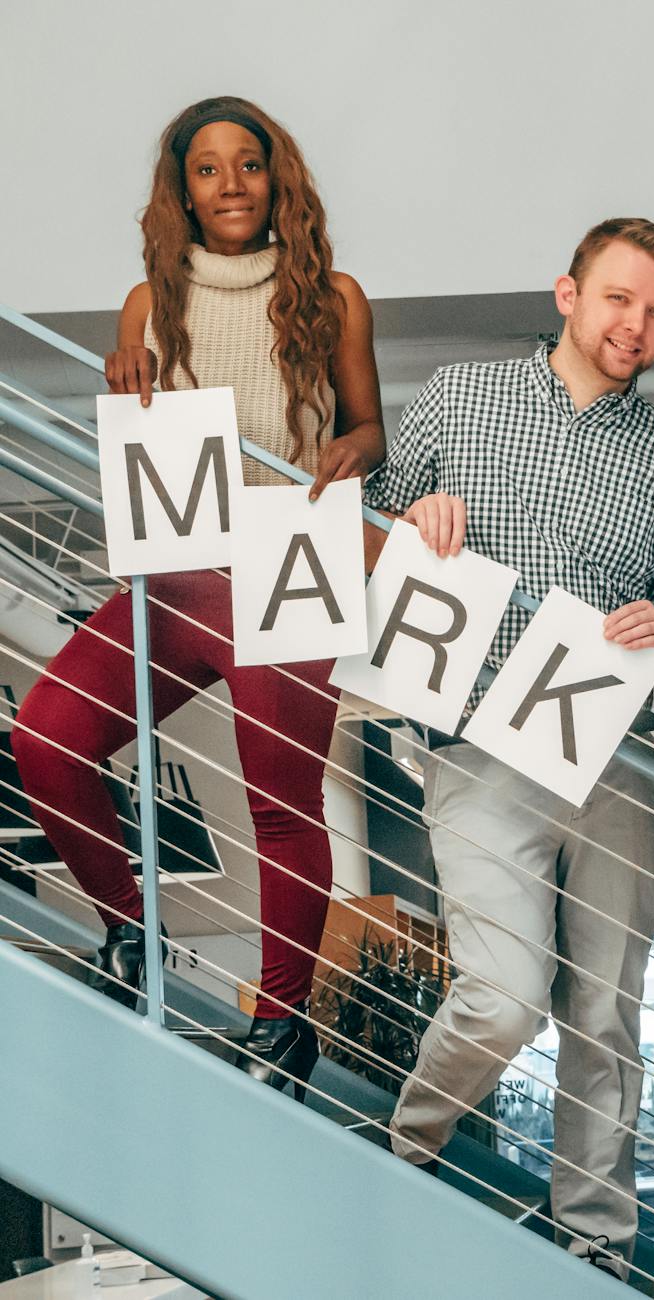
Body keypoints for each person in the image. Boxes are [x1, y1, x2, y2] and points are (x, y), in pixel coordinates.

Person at [14, 96, 384, 1098]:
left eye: (249, 164)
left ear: (278, 178)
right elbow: (143, 425)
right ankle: (130, 925)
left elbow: (367, 431)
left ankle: (280, 1023)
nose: (231, 185)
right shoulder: (151, 298)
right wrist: (125, 373)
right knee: (46, 734)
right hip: (181, 572)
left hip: (286, 569)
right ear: (182, 189)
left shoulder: (333, 296)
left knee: (281, 806)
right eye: (208, 169)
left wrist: (353, 449)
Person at [368, 217, 654, 1278]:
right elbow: (369, 537)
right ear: (567, 293)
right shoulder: (460, 396)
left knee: (603, 1012)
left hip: (615, 755)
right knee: (504, 994)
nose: (636, 327)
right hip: (478, 741)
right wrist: (411, 517)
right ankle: (402, 1152)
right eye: (620, 299)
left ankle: (594, 1243)